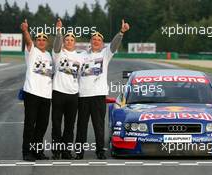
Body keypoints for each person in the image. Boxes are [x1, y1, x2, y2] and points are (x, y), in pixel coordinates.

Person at [76, 19, 130, 159]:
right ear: (90, 41)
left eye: (99, 39)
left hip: (99, 96)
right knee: (81, 126)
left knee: (99, 126)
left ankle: (100, 151)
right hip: (82, 96)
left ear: (102, 43)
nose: (96, 41)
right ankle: (79, 152)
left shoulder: (105, 54)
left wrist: (121, 32)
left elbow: (114, 45)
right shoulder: (81, 56)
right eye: (94, 39)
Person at [21, 19, 52, 161]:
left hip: (46, 96)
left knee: (42, 126)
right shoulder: (31, 51)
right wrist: (25, 30)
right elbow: (28, 41)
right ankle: (26, 152)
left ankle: (37, 151)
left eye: (43, 39)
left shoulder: (49, 56)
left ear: (47, 42)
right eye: (38, 39)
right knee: (30, 124)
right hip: (32, 93)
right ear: (35, 41)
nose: (41, 41)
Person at [51, 18, 82, 159]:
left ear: (74, 43)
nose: (69, 41)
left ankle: (66, 151)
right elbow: (57, 44)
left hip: (73, 95)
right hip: (58, 92)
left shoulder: (80, 58)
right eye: (67, 39)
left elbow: (82, 76)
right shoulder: (58, 53)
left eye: (71, 39)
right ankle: (56, 151)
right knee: (57, 125)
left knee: (70, 126)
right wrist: (59, 31)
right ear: (64, 41)